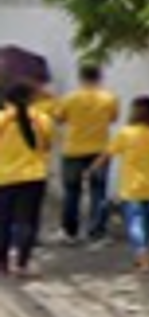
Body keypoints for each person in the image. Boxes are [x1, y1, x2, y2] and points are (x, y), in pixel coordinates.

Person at [105, 96, 149, 272]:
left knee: (135, 222)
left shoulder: (126, 133)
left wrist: (90, 170)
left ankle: (142, 254)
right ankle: (144, 253)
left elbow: (109, 153)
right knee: (148, 222)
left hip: (131, 186)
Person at [52, 62, 117, 243]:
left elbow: (58, 118)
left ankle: (69, 231)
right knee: (99, 191)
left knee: (72, 191)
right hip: (100, 150)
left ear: (80, 77)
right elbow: (113, 118)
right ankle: (97, 232)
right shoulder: (109, 98)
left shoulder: (70, 98)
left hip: (73, 149)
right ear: (100, 76)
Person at [0, 82, 53, 279]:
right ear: (30, 98)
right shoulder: (42, 120)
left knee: (3, 221)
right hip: (34, 176)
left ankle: (3, 264)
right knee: (27, 221)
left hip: (4, 177)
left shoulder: (2, 119)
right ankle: (22, 264)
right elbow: (47, 145)